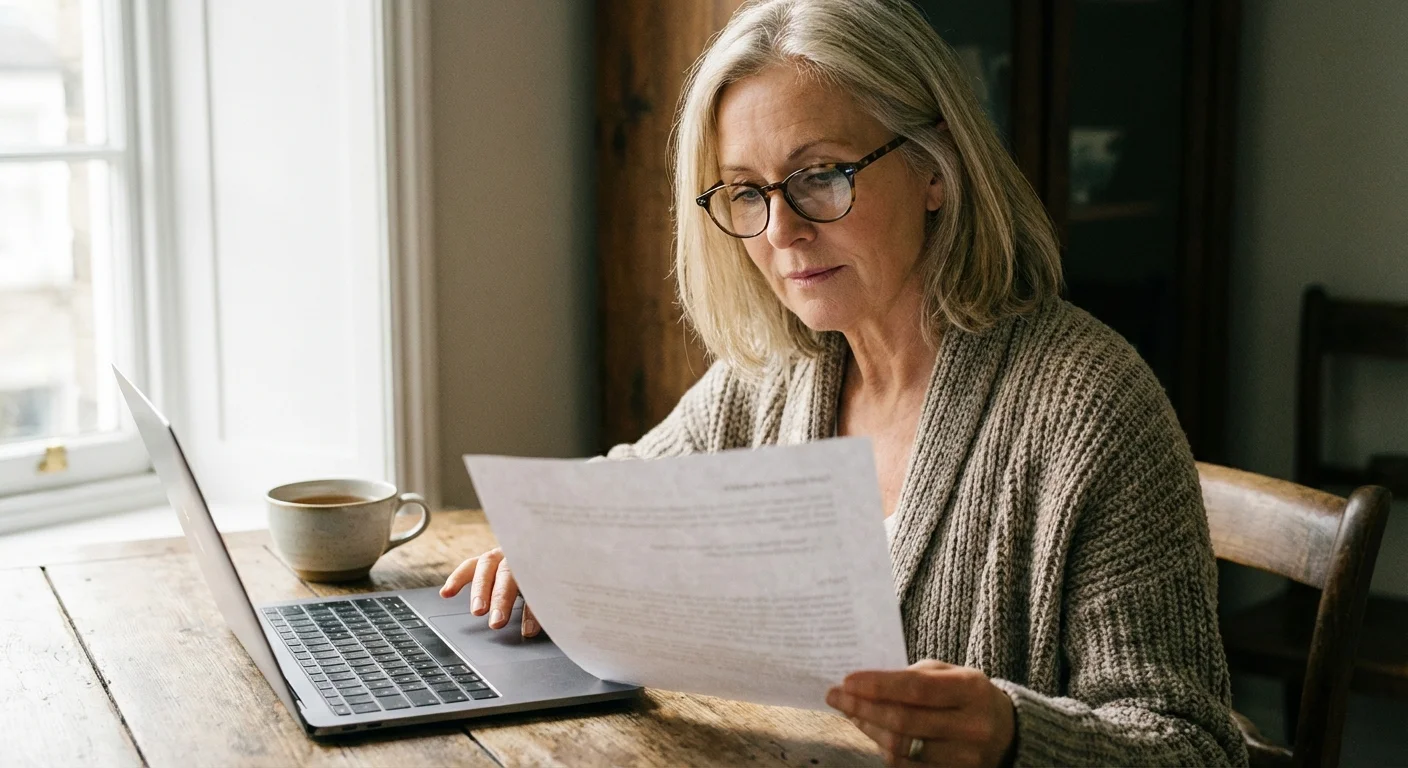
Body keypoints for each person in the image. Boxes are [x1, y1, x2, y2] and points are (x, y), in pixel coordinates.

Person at [441, 0, 1247, 765]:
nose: (782, 229)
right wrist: (550, 547)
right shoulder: (778, 375)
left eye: (820, 175)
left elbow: (1194, 746)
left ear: (937, 168)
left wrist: (1012, 738)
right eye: (747, 192)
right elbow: (628, 489)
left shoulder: (1091, 406)